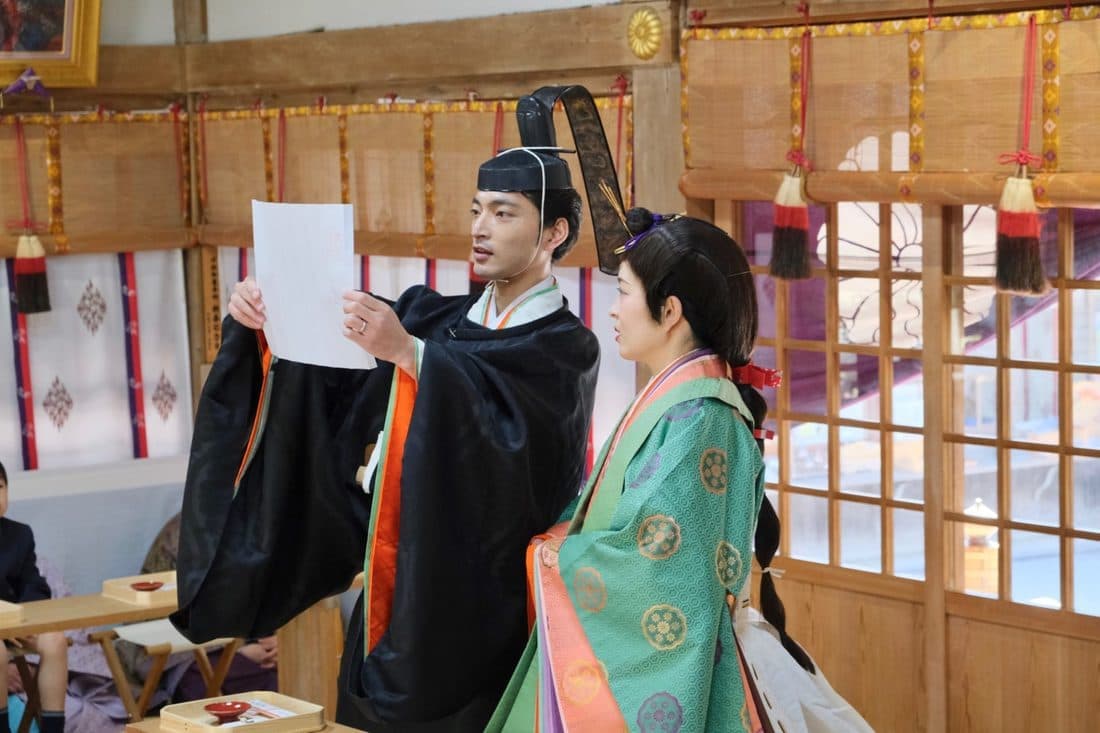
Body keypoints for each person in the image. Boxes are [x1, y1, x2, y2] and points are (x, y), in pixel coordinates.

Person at [171, 93, 604, 732]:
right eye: (476, 210)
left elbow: (513, 465)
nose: (480, 228)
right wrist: (269, 317)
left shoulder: (566, 349)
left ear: (554, 233)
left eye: (504, 213)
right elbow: (336, 384)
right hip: (389, 593)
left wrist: (411, 356)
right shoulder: (434, 317)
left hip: (481, 619)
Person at [487, 210, 873, 732]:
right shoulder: (677, 397)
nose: (613, 310)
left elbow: (663, 562)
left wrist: (556, 558)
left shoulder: (704, 417)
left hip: (688, 658)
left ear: (668, 311)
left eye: (623, 292)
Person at [0, 461, 67, 733]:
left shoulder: (19, 535)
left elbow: (34, 584)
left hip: (13, 624)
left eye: (0, 487)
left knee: (55, 640)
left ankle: (53, 728)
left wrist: (26, 618)